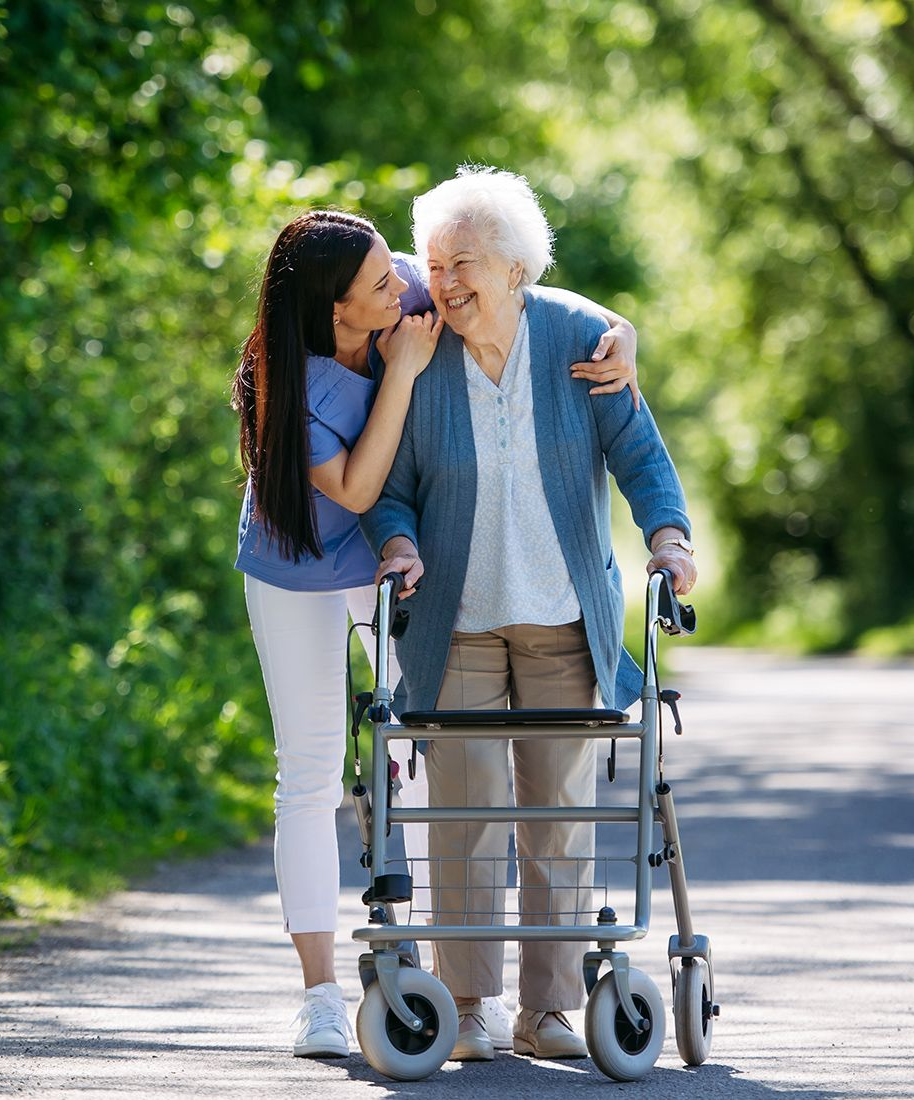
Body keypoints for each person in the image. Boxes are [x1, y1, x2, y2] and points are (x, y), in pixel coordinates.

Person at [231, 208, 643, 1059]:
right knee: (309, 771)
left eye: (399, 270)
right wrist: (406, 374)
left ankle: (450, 980)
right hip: (304, 562)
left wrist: (615, 329)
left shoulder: (398, 301)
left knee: (428, 755)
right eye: (383, 283)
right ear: (337, 310)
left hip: (405, 563)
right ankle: (317, 993)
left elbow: (513, 288)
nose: (411, 286)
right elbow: (352, 488)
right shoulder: (292, 378)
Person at [362, 166, 697, 1063]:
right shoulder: (419, 349)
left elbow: (639, 453)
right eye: (434, 264)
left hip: (561, 617)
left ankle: (545, 1011)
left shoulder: (580, 338)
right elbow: (390, 486)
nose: (445, 282)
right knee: (462, 819)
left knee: (558, 818)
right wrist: (397, 543)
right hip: (456, 620)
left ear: (517, 267)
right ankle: (466, 1004)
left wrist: (669, 539)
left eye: (464, 261)